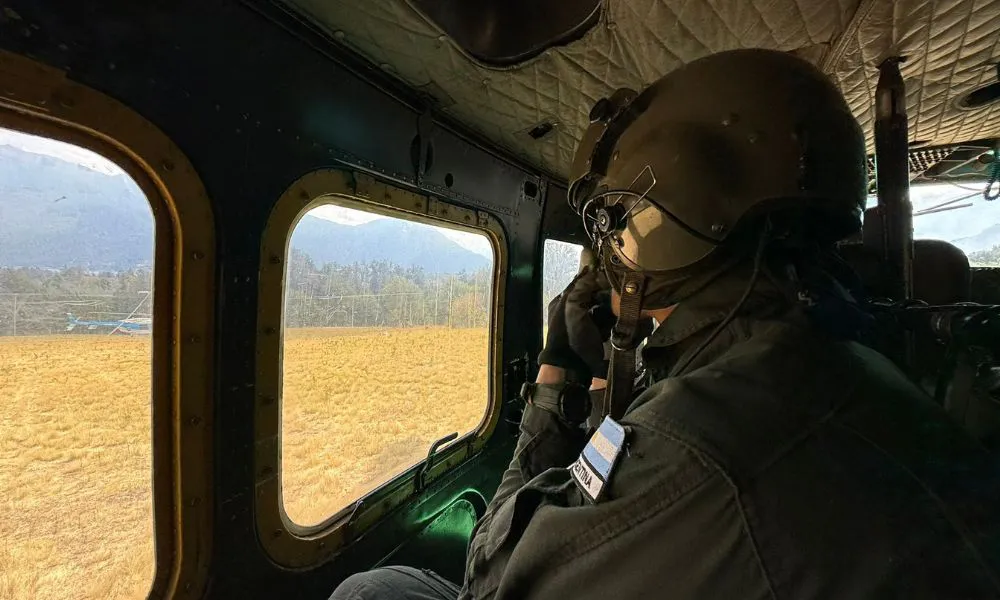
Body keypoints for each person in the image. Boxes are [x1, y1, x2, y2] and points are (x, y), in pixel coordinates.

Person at [331, 48, 1000, 599]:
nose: (611, 257)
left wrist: (556, 373)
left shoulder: (700, 445)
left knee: (371, 593)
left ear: (670, 216)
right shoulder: (844, 355)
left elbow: (490, 573)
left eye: (612, 224)